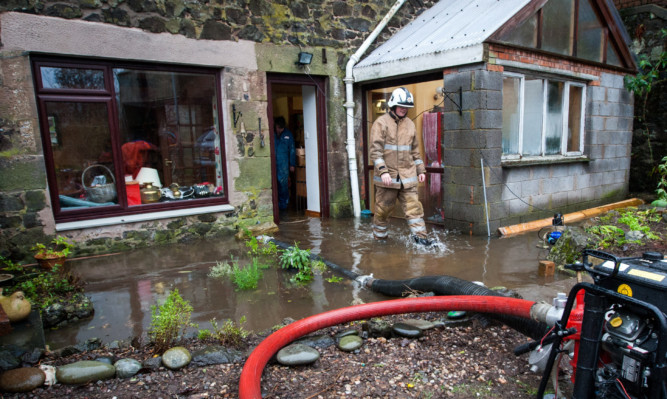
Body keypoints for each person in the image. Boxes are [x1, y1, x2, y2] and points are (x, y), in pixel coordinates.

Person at [369, 87, 432, 246]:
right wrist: (383, 172)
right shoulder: (381, 123)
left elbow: (415, 150)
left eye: (406, 107)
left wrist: (420, 170)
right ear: (393, 105)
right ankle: (380, 241)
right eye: (401, 106)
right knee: (382, 212)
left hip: (408, 178)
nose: (404, 109)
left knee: (415, 211)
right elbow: (375, 152)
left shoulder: (410, 124)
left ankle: (422, 242)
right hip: (388, 180)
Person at [274, 116, 296, 211]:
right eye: (278, 128)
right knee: (274, 184)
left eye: (281, 128)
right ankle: (275, 205)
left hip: (283, 163)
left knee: (283, 184)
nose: (279, 130)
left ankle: (284, 205)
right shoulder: (272, 134)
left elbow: (292, 150)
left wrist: (292, 164)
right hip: (274, 162)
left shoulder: (288, 135)